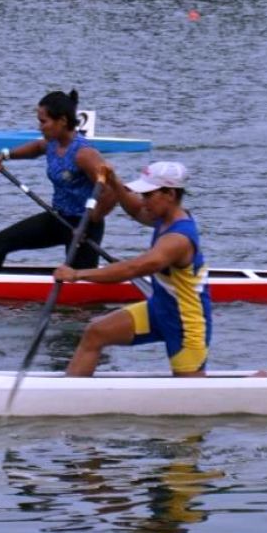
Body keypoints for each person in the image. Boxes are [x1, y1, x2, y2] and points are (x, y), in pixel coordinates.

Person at [54, 161, 212, 377]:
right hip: (158, 309)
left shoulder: (178, 239)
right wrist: (113, 180)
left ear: (170, 194)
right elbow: (135, 209)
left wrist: (78, 274)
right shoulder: (164, 217)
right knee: (95, 333)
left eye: (148, 195)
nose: (143, 201)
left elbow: (133, 268)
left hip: (186, 325)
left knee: (193, 400)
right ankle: (70, 398)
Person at [0, 89, 114, 272]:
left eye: (43, 121)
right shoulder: (53, 142)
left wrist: (91, 220)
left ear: (62, 121)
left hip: (84, 227)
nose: (40, 127)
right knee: (3, 240)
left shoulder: (84, 154)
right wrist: (4, 156)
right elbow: (37, 147)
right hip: (59, 219)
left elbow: (112, 192)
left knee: (78, 282)